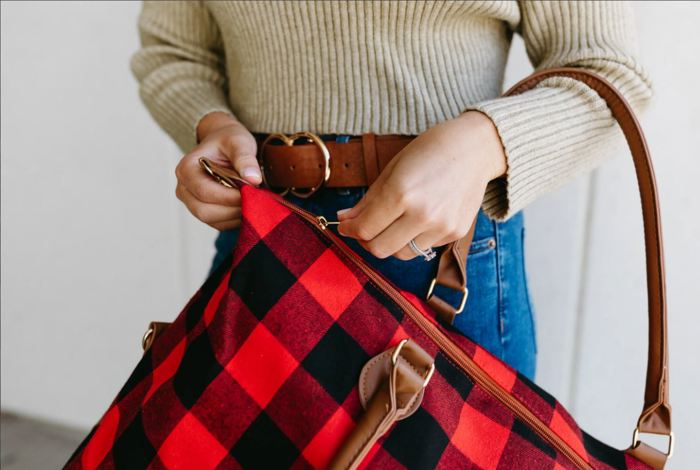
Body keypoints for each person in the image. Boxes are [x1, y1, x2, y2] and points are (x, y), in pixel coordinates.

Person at [130, 1, 651, 381]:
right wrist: (210, 123)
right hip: (260, 238)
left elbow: (611, 75)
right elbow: (174, 53)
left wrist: (484, 143)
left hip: (445, 254)